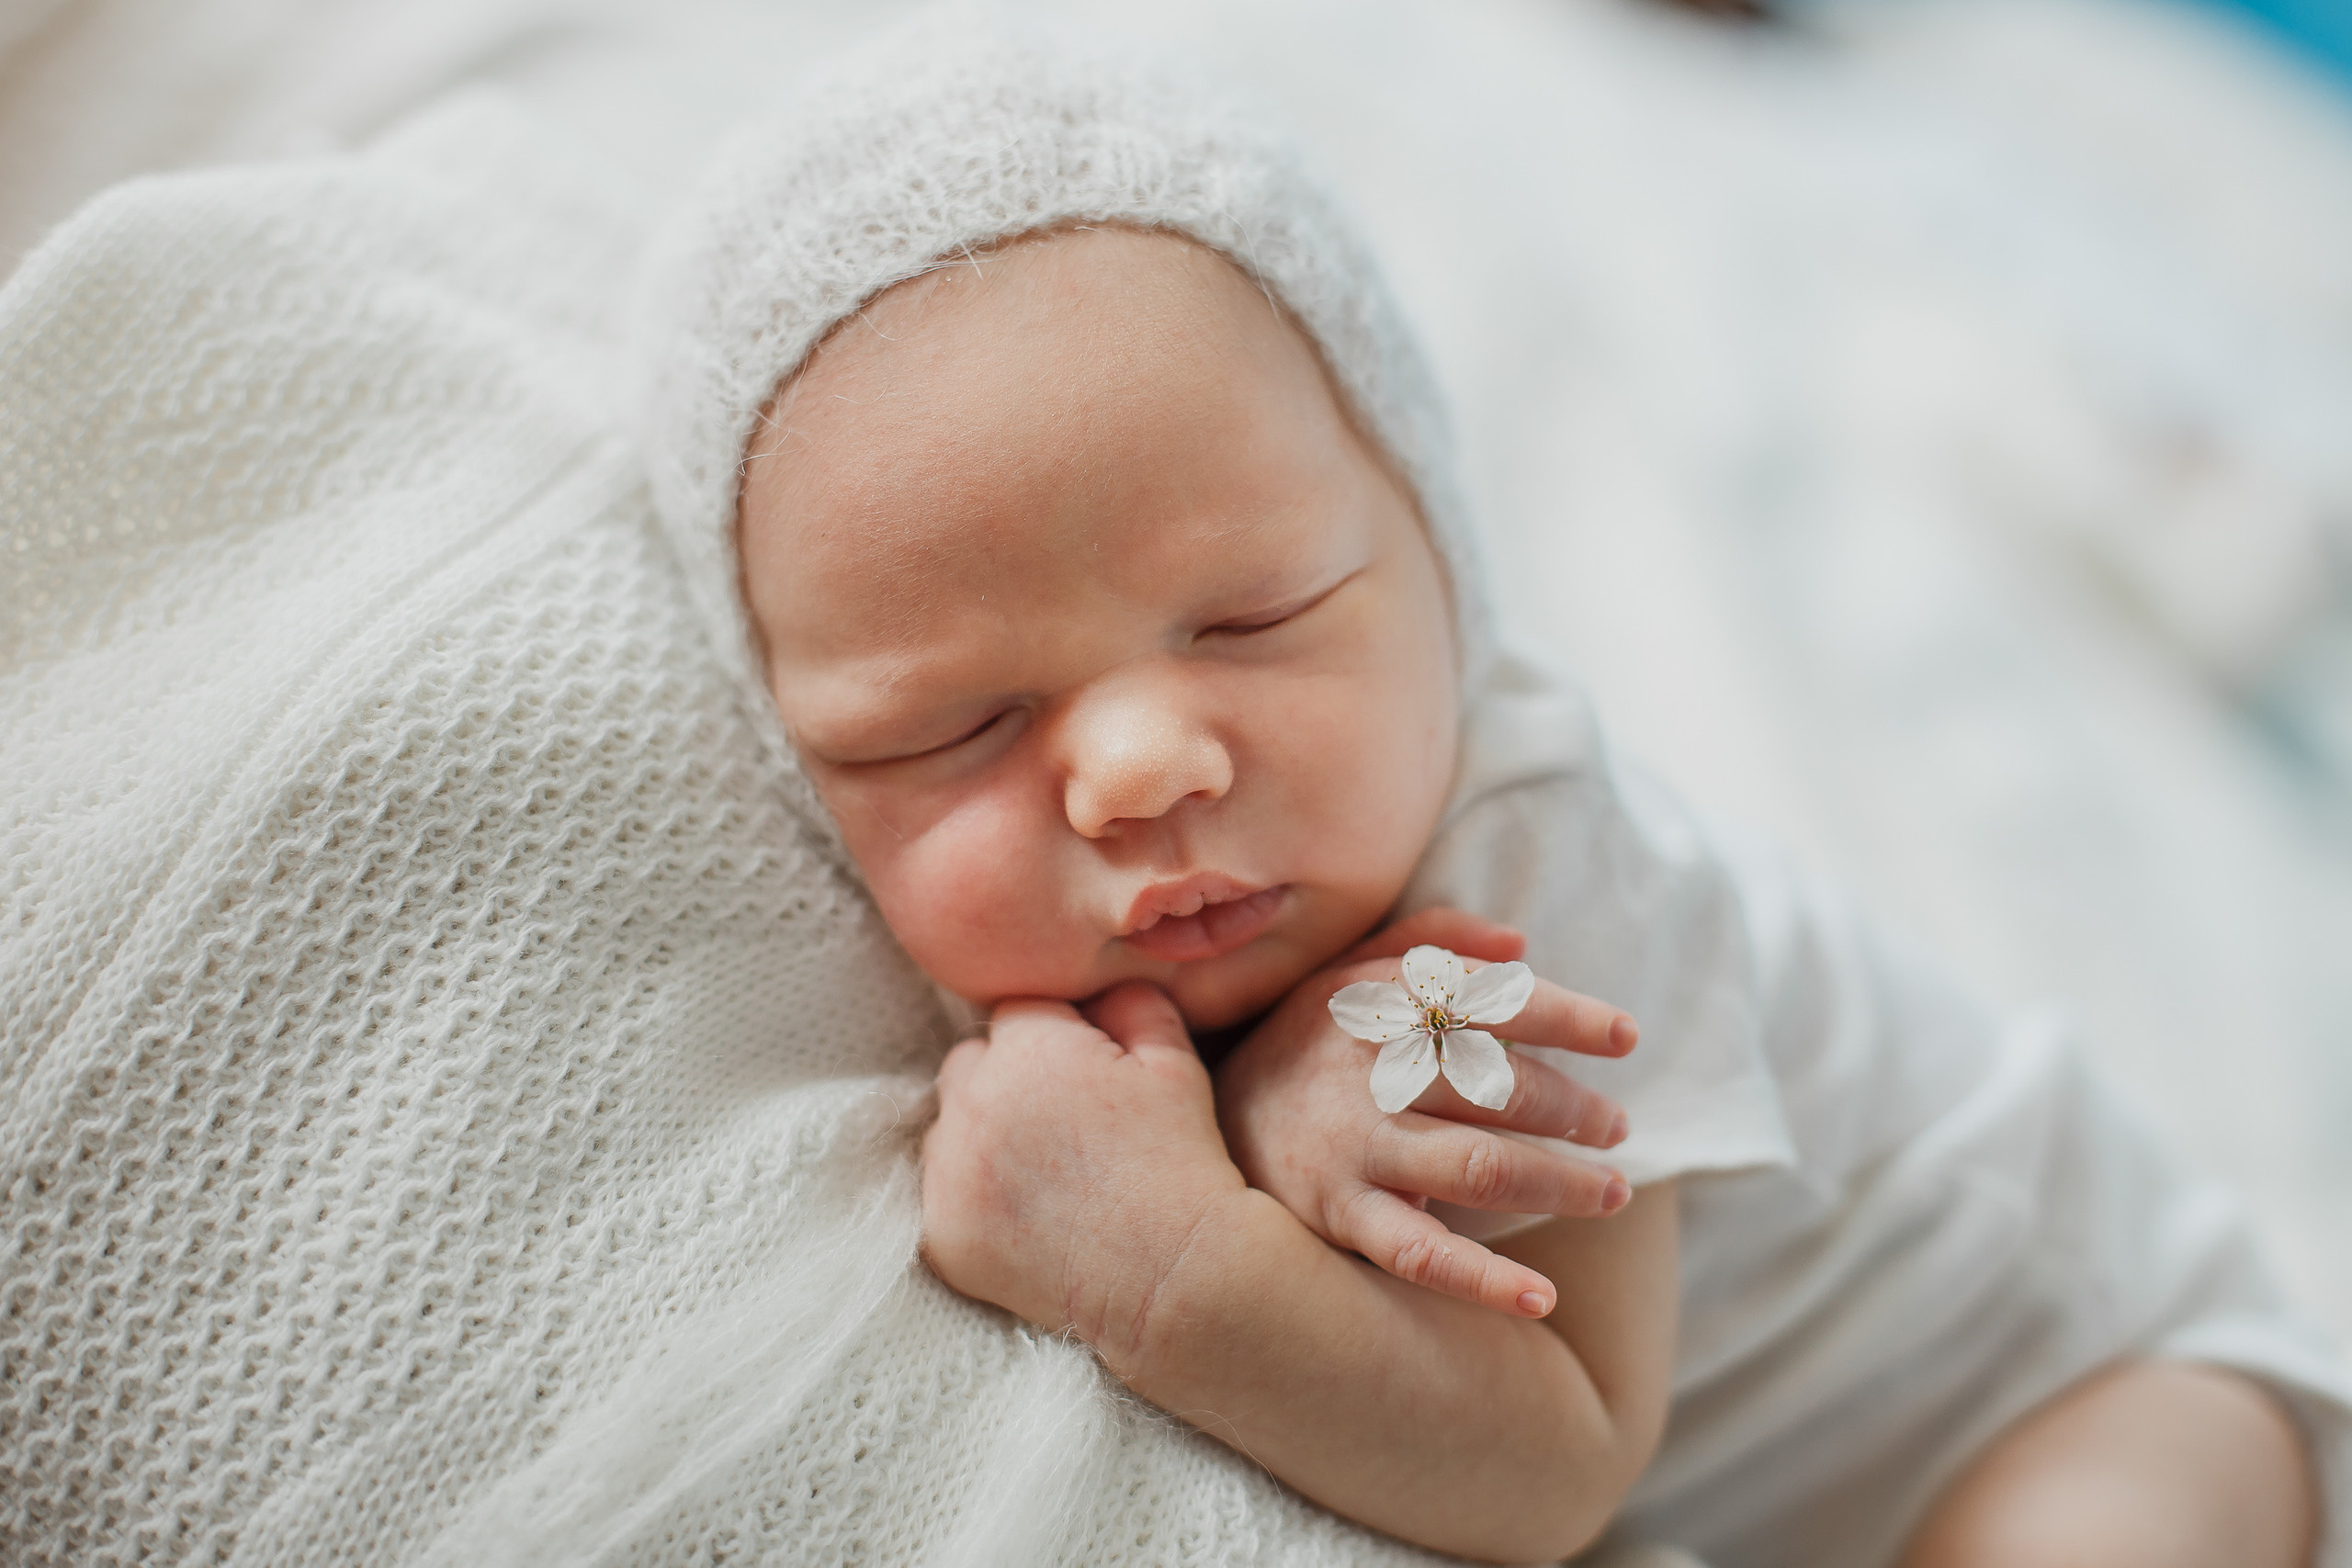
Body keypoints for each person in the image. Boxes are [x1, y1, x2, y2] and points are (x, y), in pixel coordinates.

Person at [637, 17, 2351, 1565]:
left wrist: (1160, 1266)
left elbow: (1553, 1469)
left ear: (1444, 561)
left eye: (1253, 617)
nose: (1144, 764)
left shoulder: (1534, 863)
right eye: (954, 726)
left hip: (2098, 1383)